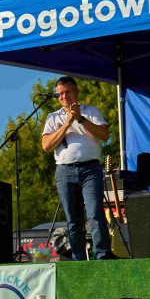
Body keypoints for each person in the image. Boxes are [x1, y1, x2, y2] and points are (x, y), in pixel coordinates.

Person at [40, 76, 113, 261]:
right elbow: (46, 146)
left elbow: (104, 135)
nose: (64, 97)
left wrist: (80, 118)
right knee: (73, 219)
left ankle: (102, 256)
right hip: (65, 171)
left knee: (95, 213)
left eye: (67, 92)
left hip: (90, 169)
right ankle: (79, 260)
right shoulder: (53, 117)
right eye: (60, 94)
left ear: (77, 91)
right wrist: (67, 123)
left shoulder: (91, 111)